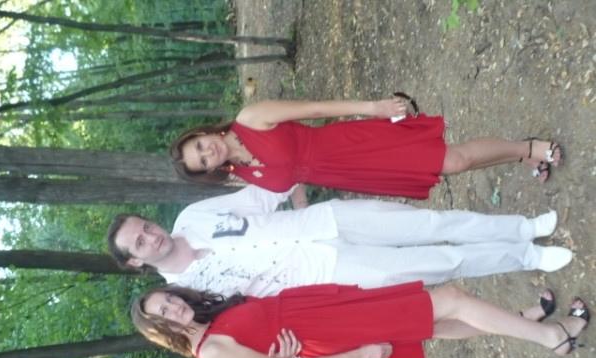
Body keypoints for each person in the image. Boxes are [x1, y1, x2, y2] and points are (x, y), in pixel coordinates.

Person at [106, 185, 572, 298]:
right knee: (439, 265)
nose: (151, 235)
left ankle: (523, 228)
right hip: (326, 273)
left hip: (326, 220)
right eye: (139, 244)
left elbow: (259, 196)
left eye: (144, 226)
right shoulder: (183, 296)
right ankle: (528, 256)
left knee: (430, 224)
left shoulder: (191, 217)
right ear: (135, 264)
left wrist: (296, 190)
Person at [131, 282, 590, 358]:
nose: (173, 308)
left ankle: (523, 319)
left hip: (329, 312)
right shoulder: (210, 350)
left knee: (436, 325)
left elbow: (272, 350)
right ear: (162, 332)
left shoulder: (211, 320)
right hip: (339, 331)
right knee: (448, 299)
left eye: (167, 300)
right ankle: (553, 337)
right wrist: (358, 355)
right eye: (163, 315)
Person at [168, 96, 563, 205]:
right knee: (445, 168)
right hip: (349, 175)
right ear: (208, 171)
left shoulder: (250, 118)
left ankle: (529, 145)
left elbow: (315, 109)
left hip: (351, 144)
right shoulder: (241, 174)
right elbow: (290, 176)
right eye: (202, 161)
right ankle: (520, 154)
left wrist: (373, 108)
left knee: (454, 160)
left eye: (200, 145)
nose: (208, 152)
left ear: (202, 133)